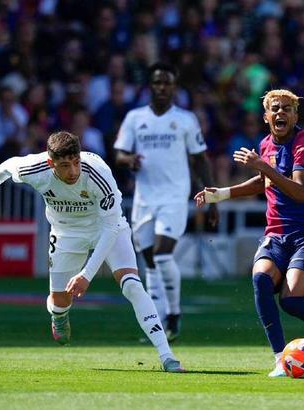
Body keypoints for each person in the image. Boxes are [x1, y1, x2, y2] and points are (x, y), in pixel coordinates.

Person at [0, 131, 184, 372]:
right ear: (51, 163)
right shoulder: (35, 169)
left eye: (76, 162)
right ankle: (59, 315)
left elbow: (110, 229)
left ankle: (167, 356)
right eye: (65, 165)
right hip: (66, 233)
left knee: (132, 285)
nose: (73, 171)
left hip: (106, 228)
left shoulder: (98, 173)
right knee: (60, 301)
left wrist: (86, 274)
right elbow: (9, 165)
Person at [194, 89, 304, 377]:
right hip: (275, 235)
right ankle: (279, 360)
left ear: (296, 116)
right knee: (261, 279)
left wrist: (262, 166)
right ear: (266, 116)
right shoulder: (265, 145)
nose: (281, 113)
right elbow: (264, 181)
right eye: (275, 108)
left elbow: (300, 191)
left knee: (290, 300)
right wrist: (221, 194)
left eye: (287, 108)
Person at [114, 62, 218, 342]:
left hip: (174, 196)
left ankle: (174, 314)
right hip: (144, 199)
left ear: (174, 87)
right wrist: (130, 160)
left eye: (167, 83)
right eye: (157, 82)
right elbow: (119, 154)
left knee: (162, 254)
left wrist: (213, 198)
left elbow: (200, 159)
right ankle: (158, 324)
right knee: (149, 262)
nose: (162, 87)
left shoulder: (186, 120)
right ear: (150, 86)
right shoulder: (135, 118)